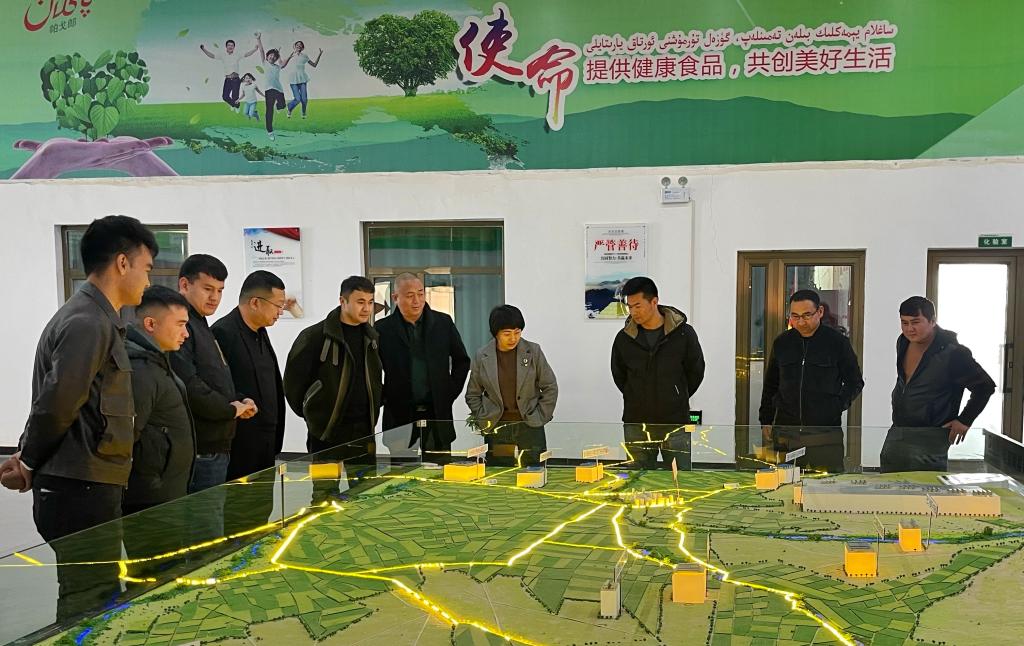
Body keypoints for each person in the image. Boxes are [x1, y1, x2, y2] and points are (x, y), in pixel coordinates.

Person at [0, 215, 156, 621]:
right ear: (122, 263)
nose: (148, 280)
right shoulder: (88, 322)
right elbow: (58, 402)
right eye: (146, 268)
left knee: (95, 593)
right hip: (80, 487)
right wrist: (28, 460)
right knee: (89, 601)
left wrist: (28, 455)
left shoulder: (97, 318)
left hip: (88, 482)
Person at [120, 286, 196, 571]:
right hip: (150, 501)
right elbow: (127, 435)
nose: (186, 334)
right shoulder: (139, 370)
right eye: (180, 324)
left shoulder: (156, 361)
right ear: (151, 324)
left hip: (166, 494)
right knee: (154, 577)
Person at [880, 296, 995, 473]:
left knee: (925, 485)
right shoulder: (903, 341)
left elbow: (985, 386)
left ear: (932, 321)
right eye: (904, 323)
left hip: (932, 433)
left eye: (915, 322)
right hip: (899, 428)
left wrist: (965, 420)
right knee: (889, 480)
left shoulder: (954, 352)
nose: (909, 329)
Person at [171, 254, 255, 494]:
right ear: (184, 284)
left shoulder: (201, 323)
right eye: (207, 289)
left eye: (220, 290)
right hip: (201, 448)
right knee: (205, 516)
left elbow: (215, 376)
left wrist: (238, 399)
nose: (215, 297)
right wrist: (229, 409)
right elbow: (188, 383)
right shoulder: (182, 325)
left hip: (217, 443)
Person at [759, 290, 864, 473]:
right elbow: (771, 385)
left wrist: (835, 406)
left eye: (807, 315)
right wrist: (766, 419)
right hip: (787, 433)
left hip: (825, 435)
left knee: (828, 485)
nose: (800, 322)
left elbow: (854, 382)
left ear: (820, 312)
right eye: (795, 316)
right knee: (785, 484)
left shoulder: (837, 343)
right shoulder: (782, 343)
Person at [611, 277, 705, 470]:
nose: (633, 312)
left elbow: (695, 371)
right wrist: (635, 395)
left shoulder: (684, 334)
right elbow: (619, 375)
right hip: (636, 423)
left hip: (675, 422)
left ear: (654, 301)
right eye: (630, 307)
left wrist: (677, 394)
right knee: (637, 479)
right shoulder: (624, 339)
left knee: (679, 478)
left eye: (638, 306)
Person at [284, 276, 382, 460]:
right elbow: (292, 385)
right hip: (326, 432)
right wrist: (314, 414)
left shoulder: (372, 337)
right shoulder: (314, 336)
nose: (367, 309)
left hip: (364, 430)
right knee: (326, 479)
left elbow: (375, 378)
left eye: (370, 302)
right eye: (360, 302)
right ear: (342, 301)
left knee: (364, 479)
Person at [376, 273, 470, 464]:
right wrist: (384, 395)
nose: (417, 301)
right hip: (399, 414)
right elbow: (371, 369)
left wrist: (449, 392)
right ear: (395, 298)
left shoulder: (443, 323)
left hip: (437, 412)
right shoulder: (382, 329)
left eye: (420, 294)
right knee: (402, 475)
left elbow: (462, 361)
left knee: (439, 472)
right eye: (410, 295)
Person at [212, 271, 288, 481]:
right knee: (241, 501)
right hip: (240, 446)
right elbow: (220, 387)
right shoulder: (223, 333)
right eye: (278, 305)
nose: (281, 312)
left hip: (266, 442)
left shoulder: (260, 331)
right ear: (255, 302)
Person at [465, 305, 558, 466]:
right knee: (500, 473)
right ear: (496, 333)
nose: (513, 338)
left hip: (530, 426)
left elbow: (550, 387)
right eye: (507, 334)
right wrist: (484, 417)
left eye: (517, 332)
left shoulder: (533, 351)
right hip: (498, 428)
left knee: (533, 472)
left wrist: (540, 416)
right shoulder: (483, 356)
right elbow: (473, 394)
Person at [199, 38, 258, 110]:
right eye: (229, 45)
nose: (230, 47)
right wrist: (203, 49)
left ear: (234, 47)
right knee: (225, 97)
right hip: (227, 79)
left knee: (234, 97)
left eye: (232, 45)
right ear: (226, 46)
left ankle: (236, 106)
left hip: (236, 79)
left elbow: (247, 54)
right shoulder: (222, 55)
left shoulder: (237, 54)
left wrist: (255, 49)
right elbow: (212, 56)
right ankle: (235, 105)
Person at [255, 32, 294, 141]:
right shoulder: (265, 63)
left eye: (274, 56)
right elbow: (261, 50)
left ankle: (278, 106)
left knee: (282, 105)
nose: (272, 57)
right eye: (271, 55)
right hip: (269, 90)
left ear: (276, 58)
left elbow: (283, 64)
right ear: (267, 57)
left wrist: (289, 57)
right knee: (269, 111)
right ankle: (270, 131)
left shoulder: (277, 67)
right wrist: (258, 39)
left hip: (279, 89)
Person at [286, 41, 324, 119]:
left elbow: (314, 65)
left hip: (302, 79)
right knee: (298, 99)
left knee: (304, 99)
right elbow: (283, 63)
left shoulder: (305, 56)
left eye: (300, 45)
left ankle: (303, 112)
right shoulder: (291, 55)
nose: (299, 46)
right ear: (294, 46)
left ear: (302, 48)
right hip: (293, 79)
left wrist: (319, 54)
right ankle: (289, 107)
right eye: (297, 45)